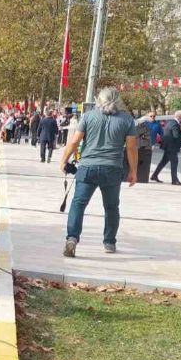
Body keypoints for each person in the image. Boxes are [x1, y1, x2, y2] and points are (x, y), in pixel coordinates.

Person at [60, 88, 138, 257]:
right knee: (111, 207)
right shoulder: (127, 120)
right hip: (112, 169)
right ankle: (109, 242)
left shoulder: (88, 117)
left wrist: (64, 160)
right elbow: (131, 148)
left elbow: (74, 142)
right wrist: (133, 171)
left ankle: (72, 238)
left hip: (87, 167)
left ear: (99, 100)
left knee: (78, 204)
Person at [151, 110, 181, 185]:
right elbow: (176, 135)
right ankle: (174, 180)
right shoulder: (175, 124)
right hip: (171, 147)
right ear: (180, 117)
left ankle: (154, 175)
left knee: (163, 162)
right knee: (174, 162)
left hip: (167, 146)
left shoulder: (170, 122)